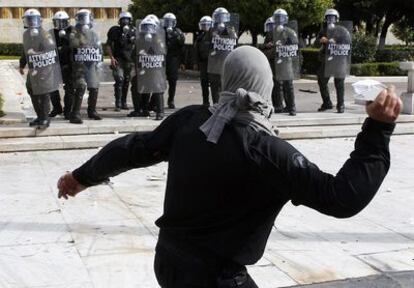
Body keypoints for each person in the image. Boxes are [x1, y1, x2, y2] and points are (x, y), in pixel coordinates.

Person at [57, 46, 402, 287]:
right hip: (215, 277)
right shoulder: (265, 150)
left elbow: (129, 149)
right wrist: (378, 130)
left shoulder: (190, 121)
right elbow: (340, 197)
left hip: (168, 261)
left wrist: (80, 177)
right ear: (266, 89)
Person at [19, 9, 62, 129]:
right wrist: (22, 64)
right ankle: (40, 116)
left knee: (43, 93)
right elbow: (25, 51)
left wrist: (36, 52)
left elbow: (51, 51)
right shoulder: (26, 34)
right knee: (31, 90)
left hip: (45, 69)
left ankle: (45, 118)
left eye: (34, 20)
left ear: (39, 20)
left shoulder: (45, 34)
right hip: (33, 70)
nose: (32, 23)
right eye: (29, 20)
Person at [69, 9, 103, 124]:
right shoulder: (74, 33)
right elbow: (73, 45)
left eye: (86, 17)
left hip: (91, 64)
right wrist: (82, 40)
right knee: (81, 86)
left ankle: (92, 111)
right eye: (82, 17)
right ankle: (75, 114)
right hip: (79, 65)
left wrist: (99, 61)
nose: (84, 20)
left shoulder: (93, 33)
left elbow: (99, 47)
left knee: (94, 87)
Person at [263, 9, 298, 116]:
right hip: (274, 62)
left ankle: (291, 107)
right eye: (277, 17)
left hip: (286, 61)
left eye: (281, 17)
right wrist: (269, 46)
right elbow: (265, 48)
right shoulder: (270, 33)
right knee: (277, 85)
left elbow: (295, 47)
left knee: (288, 85)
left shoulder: (290, 32)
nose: (279, 20)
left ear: (285, 19)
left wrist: (282, 45)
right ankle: (278, 106)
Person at [317, 9, 351, 113]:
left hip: (339, 60)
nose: (330, 20)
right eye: (328, 17)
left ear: (337, 19)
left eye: (333, 17)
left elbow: (347, 44)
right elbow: (317, 42)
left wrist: (334, 42)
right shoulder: (323, 30)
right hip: (326, 61)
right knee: (321, 81)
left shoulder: (342, 30)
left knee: (339, 83)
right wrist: (320, 40)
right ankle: (327, 103)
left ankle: (341, 105)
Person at [134, 16, 166, 120]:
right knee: (144, 88)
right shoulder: (139, 41)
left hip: (156, 69)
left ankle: (160, 112)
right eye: (145, 27)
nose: (147, 30)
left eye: (150, 27)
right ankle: (144, 110)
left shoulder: (159, 40)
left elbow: (163, 53)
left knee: (157, 88)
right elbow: (133, 54)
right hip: (144, 68)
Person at [207, 7, 238, 104]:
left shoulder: (230, 30)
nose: (221, 19)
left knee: (226, 87)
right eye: (218, 16)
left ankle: (225, 105)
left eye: (223, 16)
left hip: (226, 63)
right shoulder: (211, 30)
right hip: (214, 63)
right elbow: (206, 45)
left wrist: (230, 33)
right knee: (214, 86)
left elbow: (234, 43)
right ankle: (216, 105)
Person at [107, 11, 136, 111]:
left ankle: (124, 102)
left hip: (129, 60)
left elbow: (137, 45)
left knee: (127, 81)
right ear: (119, 20)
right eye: (123, 19)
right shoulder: (114, 30)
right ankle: (118, 103)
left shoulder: (134, 31)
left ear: (130, 20)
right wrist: (112, 58)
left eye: (127, 19)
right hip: (118, 59)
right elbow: (109, 45)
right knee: (119, 79)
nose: (125, 21)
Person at [49, 11, 74, 120]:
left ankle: (68, 111)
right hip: (54, 64)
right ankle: (57, 108)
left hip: (69, 65)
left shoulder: (72, 31)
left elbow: (78, 45)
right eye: (57, 22)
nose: (60, 24)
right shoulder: (51, 33)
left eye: (62, 21)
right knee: (52, 87)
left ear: (67, 21)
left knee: (69, 88)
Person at [163, 13, 185, 109]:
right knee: (159, 81)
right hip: (162, 59)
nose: (169, 23)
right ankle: (154, 102)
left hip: (173, 59)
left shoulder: (178, 32)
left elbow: (182, 46)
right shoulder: (160, 31)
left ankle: (171, 100)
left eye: (171, 21)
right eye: (167, 21)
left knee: (172, 81)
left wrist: (182, 62)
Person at [194, 16, 213, 106]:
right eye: (203, 24)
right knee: (204, 83)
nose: (205, 26)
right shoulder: (200, 36)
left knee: (214, 83)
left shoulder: (214, 35)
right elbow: (196, 50)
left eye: (207, 24)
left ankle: (216, 103)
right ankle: (205, 102)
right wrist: (196, 62)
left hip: (213, 63)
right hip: (203, 63)